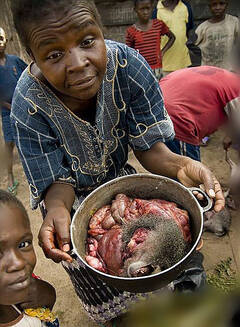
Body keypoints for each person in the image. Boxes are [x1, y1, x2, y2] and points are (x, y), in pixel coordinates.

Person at [10, 0, 224, 325]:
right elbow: (57, 183)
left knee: (149, 266)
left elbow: (151, 150)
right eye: (53, 54)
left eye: (87, 42)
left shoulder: (128, 67)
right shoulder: (27, 105)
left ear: (100, 29)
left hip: (122, 186)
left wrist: (183, 167)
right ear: (30, 55)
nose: (78, 63)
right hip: (67, 207)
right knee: (100, 281)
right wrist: (56, 212)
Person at [0, 190, 59, 327]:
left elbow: (49, 300)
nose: (18, 262)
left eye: (23, 244)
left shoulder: (24, 282)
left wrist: (41, 292)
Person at [159, 66, 240, 161]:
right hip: (175, 118)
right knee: (188, 172)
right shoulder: (236, 87)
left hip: (155, 105)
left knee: (166, 165)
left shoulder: (220, 74)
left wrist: (230, 135)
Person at [0, 27, 27, 195]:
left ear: (6, 41)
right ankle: (10, 176)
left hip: (22, 108)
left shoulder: (15, 61)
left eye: (1, 39)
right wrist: (10, 107)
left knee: (25, 140)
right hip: (6, 110)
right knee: (9, 144)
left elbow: (27, 75)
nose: (0, 43)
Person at [126, 0, 175, 80]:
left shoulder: (158, 25)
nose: (145, 12)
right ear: (135, 10)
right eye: (142, 9)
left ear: (152, 8)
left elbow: (172, 37)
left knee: (158, 89)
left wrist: (162, 52)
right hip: (141, 69)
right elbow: (129, 52)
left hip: (157, 69)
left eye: (148, 8)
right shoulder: (131, 31)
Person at [195, 0, 239, 71]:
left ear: (226, 5)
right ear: (209, 6)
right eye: (214, 4)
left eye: (221, 4)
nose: (218, 7)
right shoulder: (202, 28)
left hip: (229, 70)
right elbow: (192, 45)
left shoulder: (234, 22)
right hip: (209, 70)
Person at [156, 0, 193, 75]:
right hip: (165, 63)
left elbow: (188, 29)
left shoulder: (185, 7)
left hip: (183, 61)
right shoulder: (157, 10)